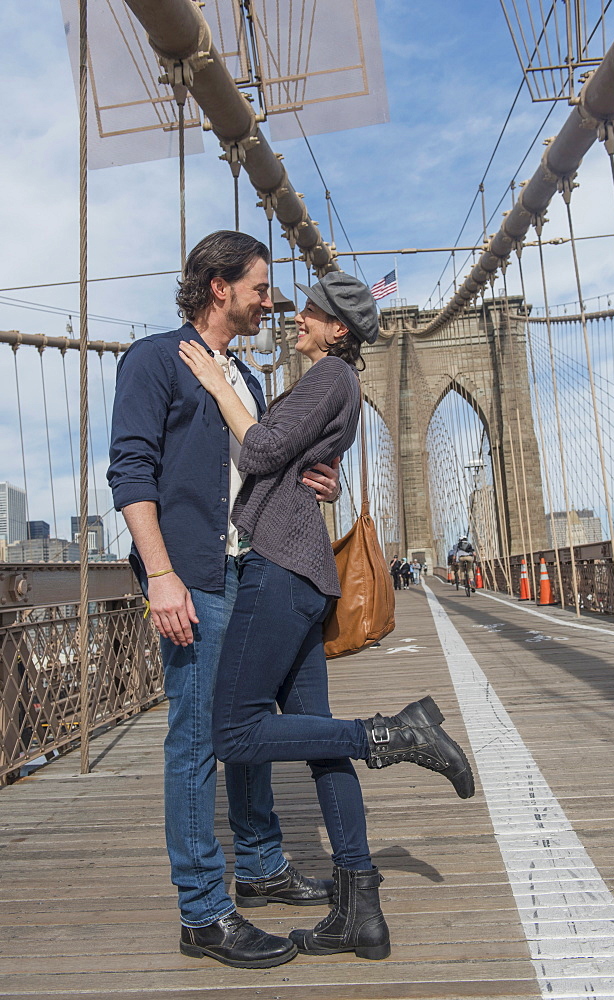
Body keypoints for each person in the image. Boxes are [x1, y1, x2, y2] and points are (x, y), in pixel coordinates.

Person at [178, 270, 475, 963]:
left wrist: (218, 383)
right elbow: (289, 457)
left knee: (233, 732)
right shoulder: (332, 384)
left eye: (311, 311)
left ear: (339, 328)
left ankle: (393, 733)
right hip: (304, 566)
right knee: (318, 744)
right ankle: (358, 913)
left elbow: (256, 450)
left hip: (279, 566)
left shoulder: (327, 378)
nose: (298, 318)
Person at [107, 231, 343, 971]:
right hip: (193, 576)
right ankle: (204, 912)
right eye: (260, 286)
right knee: (197, 738)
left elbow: (260, 464)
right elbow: (131, 474)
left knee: (244, 725)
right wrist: (161, 576)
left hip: (254, 570)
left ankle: (263, 865)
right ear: (219, 286)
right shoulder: (153, 360)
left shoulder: (244, 375)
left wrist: (317, 481)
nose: (269, 300)